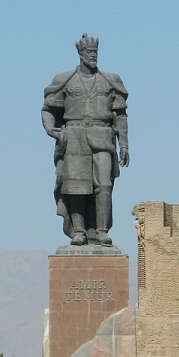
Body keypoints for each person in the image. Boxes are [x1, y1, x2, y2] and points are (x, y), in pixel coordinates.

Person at [42, 33, 130, 247]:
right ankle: (79, 231)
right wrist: (51, 130)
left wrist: (124, 144)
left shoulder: (111, 80)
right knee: (75, 186)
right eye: (89, 52)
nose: (93, 56)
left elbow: (120, 115)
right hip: (73, 136)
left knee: (104, 185)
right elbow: (48, 109)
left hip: (103, 135)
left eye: (95, 53)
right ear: (81, 54)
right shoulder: (64, 80)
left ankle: (101, 231)